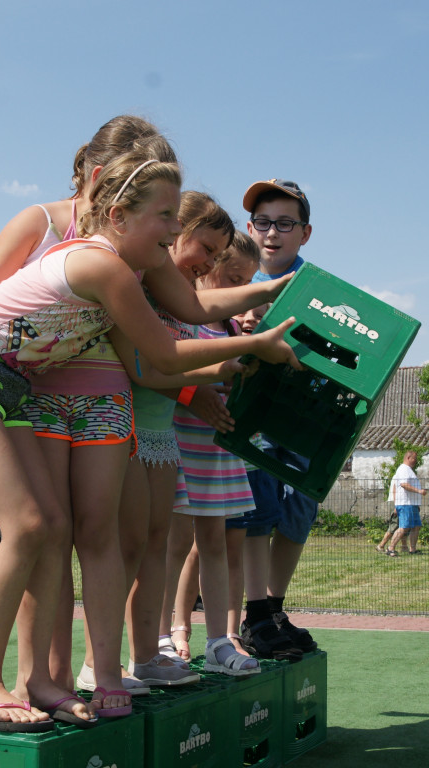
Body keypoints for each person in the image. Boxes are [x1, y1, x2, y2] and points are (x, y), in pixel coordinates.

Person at [0, 154, 302, 726]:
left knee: (52, 528)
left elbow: (177, 329)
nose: (176, 231)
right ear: (120, 214)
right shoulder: (101, 266)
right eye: (166, 216)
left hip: (12, 388)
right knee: (29, 525)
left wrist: (268, 300)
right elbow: (165, 353)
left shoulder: (121, 270)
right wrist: (250, 347)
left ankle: (43, 682)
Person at [159, 232, 261, 675]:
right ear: (208, 268)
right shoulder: (185, 320)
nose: (240, 292)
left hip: (217, 450)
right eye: (234, 279)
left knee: (214, 544)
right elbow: (167, 369)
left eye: (248, 283)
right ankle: (159, 639)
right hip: (181, 444)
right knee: (174, 544)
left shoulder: (234, 328)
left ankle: (220, 642)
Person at [226, 178, 319, 661]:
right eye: (263, 222)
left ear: (305, 232)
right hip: (253, 414)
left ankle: (275, 609)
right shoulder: (235, 278)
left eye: (285, 223)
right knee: (259, 508)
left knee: (301, 506)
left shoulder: (318, 289)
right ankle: (255, 612)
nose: (272, 232)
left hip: (304, 413)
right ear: (249, 226)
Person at [386, 451, 426, 556]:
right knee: (404, 527)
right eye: (414, 459)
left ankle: (413, 549)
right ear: (408, 457)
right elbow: (404, 484)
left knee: (416, 526)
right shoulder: (403, 469)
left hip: (412, 504)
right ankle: (391, 548)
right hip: (405, 503)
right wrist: (419, 491)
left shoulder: (409, 470)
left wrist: (416, 503)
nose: (415, 461)